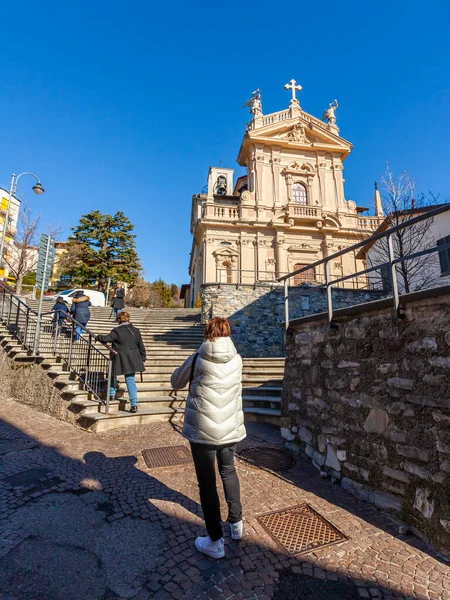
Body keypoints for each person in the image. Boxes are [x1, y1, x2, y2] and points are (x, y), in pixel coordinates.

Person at [171, 317, 246, 560]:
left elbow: (176, 382)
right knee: (229, 471)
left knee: (207, 483)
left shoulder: (197, 357)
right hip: (230, 427)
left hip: (203, 430)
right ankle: (236, 524)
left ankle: (215, 541)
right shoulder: (237, 358)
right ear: (228, 333)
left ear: (207, 333)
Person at [96, 311, 146, 414]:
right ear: (128, 318)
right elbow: (141, 345)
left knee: (112, 375)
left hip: (120, 357)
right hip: (133, 357)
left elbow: (107, 339)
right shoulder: (135, 330)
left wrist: (98, 337)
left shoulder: (117, 331)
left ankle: (112, 394)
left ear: (119, 319)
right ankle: (134, 404)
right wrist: (142, 357)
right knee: (130, 380)